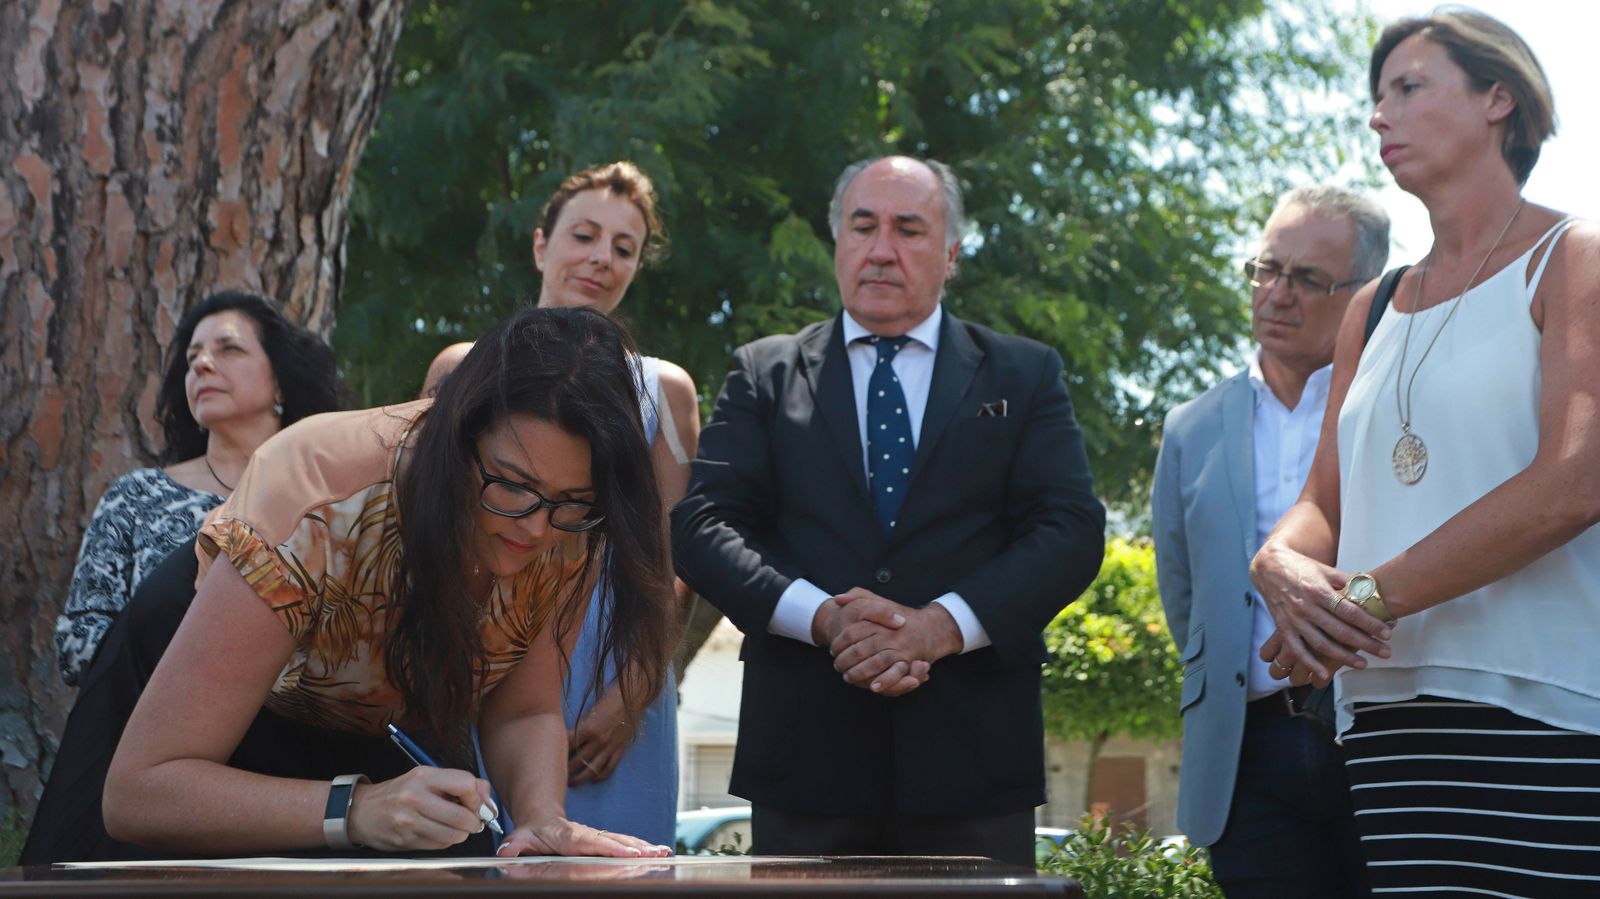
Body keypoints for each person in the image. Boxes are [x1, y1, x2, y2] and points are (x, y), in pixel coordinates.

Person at [24, 306, 676, 861]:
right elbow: (141, 790)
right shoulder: (318, 489)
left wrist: (540, 815)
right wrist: (357, 807)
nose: (536, 529)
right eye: (511, 484)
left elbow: (524, 707)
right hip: (199, 713)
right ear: (455, 436)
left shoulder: (575, 520)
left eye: (570, 502)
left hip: (358, 732)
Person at [1248, 10, 1600, 896]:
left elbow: (1574, 483)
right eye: (1375, 97)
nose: (1378, 116)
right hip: (1384, 717)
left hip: (1539, 703)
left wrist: (1362, 599)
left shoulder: (1574, 258)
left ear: (1498, 98)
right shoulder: (1369, 305)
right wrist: (1278, 563)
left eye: (1407, 88)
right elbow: (1322, 496)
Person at [672, 156, 1106, 867]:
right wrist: (824, 617)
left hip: (974, 762)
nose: (881, 249)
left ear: (952, 253)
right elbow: (702, 524)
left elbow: (1071, 529)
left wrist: (939, 628)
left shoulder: (1024, 375)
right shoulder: (764, 373)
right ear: (837, 241)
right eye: (863, 226)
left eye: (909, 228)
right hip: (806, 760)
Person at [1152, 185, 1388, 898]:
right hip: (1245, 756)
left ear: (1363, 292)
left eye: (1308, 278)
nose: (1277, 294)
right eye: (1266, 269)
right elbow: (1184, 594)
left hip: (1380, 737)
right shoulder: (1190, 427)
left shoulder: (1393, 404)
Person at [53, 290, 346, 686]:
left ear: (280, 381)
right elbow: (77, 645)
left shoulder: (332, 504)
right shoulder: (136, 496)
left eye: (230, 349)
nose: (203, 364)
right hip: (150, 733)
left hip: (299, 740)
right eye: (193, 358)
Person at [532, 162, 699, 848]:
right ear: (542, 245)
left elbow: (672, 564)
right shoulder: (459, 370)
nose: (602, 257)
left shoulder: (665, 392)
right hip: (485, 664)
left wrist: (629, 697)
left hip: (615, 676)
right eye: (585, 235)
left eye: (623, 247)